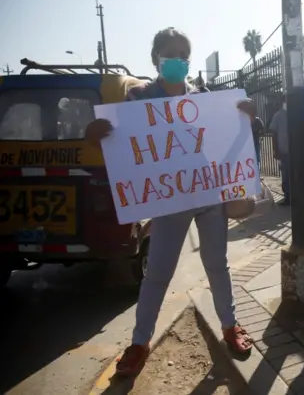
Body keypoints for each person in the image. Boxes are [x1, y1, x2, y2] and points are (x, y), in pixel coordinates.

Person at [84, 27, 256, 377]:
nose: (178, 60)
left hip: (208, 193)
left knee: (217, 264)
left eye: (184, 54)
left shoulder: (205, 97)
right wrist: (95, 135)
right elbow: (120, 142)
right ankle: (139, 343)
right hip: (170, 199)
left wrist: (246, 115)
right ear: (155, 58)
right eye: (170, 53)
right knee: (158, 274)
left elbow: (230, 138)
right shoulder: (137, 99)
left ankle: (230, 326)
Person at [269, 96, 290, 206]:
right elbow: (274, 134)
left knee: (296, 175)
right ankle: (288, 197)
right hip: (284, 151)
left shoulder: (297, 113)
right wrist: (275, 150)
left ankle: (296, 196)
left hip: (296, 152)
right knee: (286, 175)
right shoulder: (278, 115)